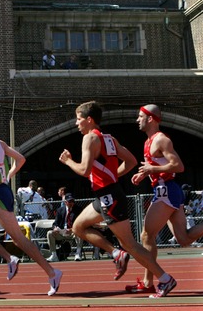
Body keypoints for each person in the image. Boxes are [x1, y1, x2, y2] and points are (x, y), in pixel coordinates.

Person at [58, 101, 177, 298]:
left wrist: (68, 161)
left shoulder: (89, 139)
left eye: (78, 119)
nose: (76, 123)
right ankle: (115, 253)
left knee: (130, 244)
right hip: (106, 194)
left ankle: (165, 278)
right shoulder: (109, 139)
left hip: (109, 197)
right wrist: (112, 176)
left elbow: (84, 170)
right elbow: (130, 161)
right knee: (78, 227)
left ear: (89, 120)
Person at [0, 110, 63, 296]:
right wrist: (8, 175)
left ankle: (52, 272)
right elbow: (21, 159)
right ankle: (10, 258)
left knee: (19, 239)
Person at [126, 104, 203, 295]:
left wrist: (152, 170)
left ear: (150, 118)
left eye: (140, 116)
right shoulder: (147, 142)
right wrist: (145, 174)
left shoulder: (161, 140)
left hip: (166, 191)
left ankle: (153, 281)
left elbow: (178, 166)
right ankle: (148, 281)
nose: (137, 120)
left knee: (146, 235)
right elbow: (158, 166)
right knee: (183, 238)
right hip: (166, 190)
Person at [46, 193, 84, 262]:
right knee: (50, 233)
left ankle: (78, 254)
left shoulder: (78, 209)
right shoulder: (60, 210)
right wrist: (55, 228)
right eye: (69, 201)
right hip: (62, 232)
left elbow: (81, 223)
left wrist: (72, 229)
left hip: (73, 232)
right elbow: (55, 223)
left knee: (79, 232)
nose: (71, 203)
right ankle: (54, 255)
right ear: (65, 202)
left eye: (72, 201)